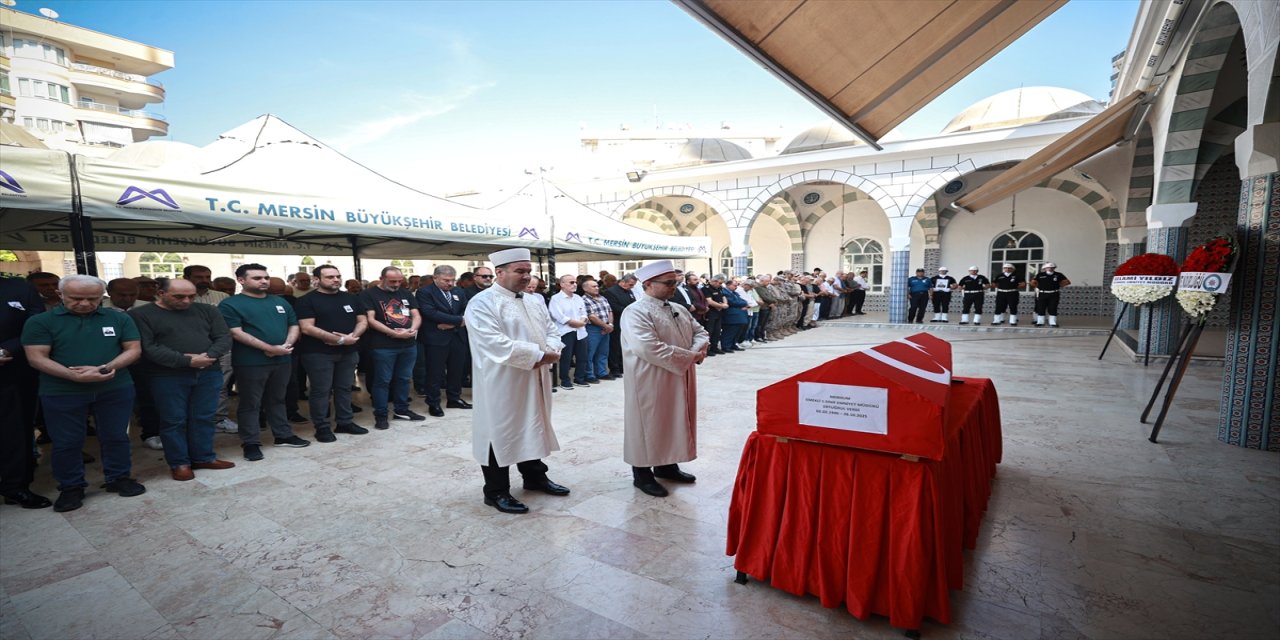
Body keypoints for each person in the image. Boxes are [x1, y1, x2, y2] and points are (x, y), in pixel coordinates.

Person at [21, 275, 145, 512]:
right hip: (62, 391)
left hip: (114, 387)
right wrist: (74, 376)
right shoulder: (41, 321)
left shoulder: (118, 318)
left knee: (116, 436)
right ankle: (71, 487)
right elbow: (36, 357)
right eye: (76, 298)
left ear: (102, 297)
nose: (85, 304)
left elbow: (133, 349)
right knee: (67, 442)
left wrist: (106, 368)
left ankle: (118, 477)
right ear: (61, 295)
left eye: (92, 299)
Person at [463, 247, 570, 514]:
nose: (526, 276)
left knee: (534, 425)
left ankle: (534, 477)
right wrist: (539, 354)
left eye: (528, 271)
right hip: (501, 381)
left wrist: (553, 349)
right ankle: (496, 491)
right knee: (498, 431)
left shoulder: (534, 300)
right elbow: (493, 343)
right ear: (499, 272)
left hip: (536, 376)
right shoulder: (482, 303)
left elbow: (551, 329)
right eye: (520, 271)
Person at [129, 278, 237, 481]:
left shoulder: (208, 311)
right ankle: (180, 462)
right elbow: (149, 347)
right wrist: (186, 361)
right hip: (167, 375)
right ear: (160, 293)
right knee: (173, 420)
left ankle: (203, 457)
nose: (186, 301)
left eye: (191, 296)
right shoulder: (140, 314)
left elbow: (223, 337)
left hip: (208, 371)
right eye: (179, 296)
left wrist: (207, 357)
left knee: (204, 416)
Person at [620, 260, 709, 497]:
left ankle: (667, 465)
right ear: (648, 284)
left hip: (679, 374)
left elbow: (701, 332)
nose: (674, 287)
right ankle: (642, 474)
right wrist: (691, 356)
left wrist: (695, 352)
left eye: (676, 282)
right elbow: (648, 347)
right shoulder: (635, 312)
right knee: (648, 423)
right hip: (650, 379)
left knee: (674, 419)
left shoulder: (677, 309)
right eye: (669, 283)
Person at [219, 263, 310, 461]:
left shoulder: (280, 301)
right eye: (257, 278)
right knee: (251, 403)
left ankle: (283, 435)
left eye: (265, 277)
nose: (263, 281)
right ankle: (251, 442)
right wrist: (268, 348)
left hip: (283, 358)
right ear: (241, 280)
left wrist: (285, 346)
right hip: (251, 362)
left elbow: (293, 325)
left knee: (278, 399)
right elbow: (235, 332)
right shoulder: (231, 304)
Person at [295, 264, 368, 441]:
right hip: (318, 353)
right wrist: (338, 339)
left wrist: (351, 337)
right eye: (330, 277)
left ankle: (345, 422)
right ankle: (322, 427)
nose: (336, 279)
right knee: (321, 391)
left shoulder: (351, 298)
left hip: (349, 351)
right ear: (317, 280)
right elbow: (306, 327)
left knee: (344, 388)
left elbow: (363, 321)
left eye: (337, 276)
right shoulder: (307, 300)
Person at [0, 278, 50, 509]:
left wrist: (7, 349)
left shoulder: (19, 288)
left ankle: (16, 487)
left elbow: (36, 322)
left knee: (16, 432)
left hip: (13, 372)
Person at [361, 266, 424, 429]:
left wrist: (412, 330)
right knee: (382, 381)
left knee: (404, 379)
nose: (396, 284)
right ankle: (381, 415)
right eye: (392, 281)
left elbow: (416, 315)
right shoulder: (369, 294)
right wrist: (393, 333)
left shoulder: (405, 293)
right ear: (381, 278)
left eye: (399, 281)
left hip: (408, 344)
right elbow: (371, 319)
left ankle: (401, 410)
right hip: (383, 346)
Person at [184, 265, 236, 433]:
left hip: (220, 346)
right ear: (187, 278)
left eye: (207, 277)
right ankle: (192, 419)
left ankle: (219, 418)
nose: (204, 280)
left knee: (220, 384)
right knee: (188, 384)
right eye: (199, 277)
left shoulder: (222, 297)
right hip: (189, 349)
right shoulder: (181, 297)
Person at [416, 265, 472, 417]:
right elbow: (429, 312)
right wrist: (459, 321)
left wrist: (455, 322)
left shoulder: (458, 292)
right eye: (446, 280)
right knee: (435, 372)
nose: (450, 283)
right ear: (435, 278)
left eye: (453, 280)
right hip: (436, 338)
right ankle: (433, 403)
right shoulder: (424, 292)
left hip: (457, 336)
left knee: (457, 369)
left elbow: (467, 309)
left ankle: (454, 398)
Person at [548, 274, 590, 390]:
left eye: (575, 282)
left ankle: (579, 379)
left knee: (582, 356)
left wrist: (582, 322)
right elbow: (559, 317)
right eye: (571, 282)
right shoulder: (556, 299)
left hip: (581, 331)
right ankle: (565, 380)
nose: (575, 284)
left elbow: (584, 313)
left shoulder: (578, 297)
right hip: (566, 331)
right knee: (566, 357)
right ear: (562, 284)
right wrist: (577, 323)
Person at [603, 274, 638, 377]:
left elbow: (633, 303)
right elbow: (614, 307)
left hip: (628, 322)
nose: (632, 287)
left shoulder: (629, 291)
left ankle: (623, 366)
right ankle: (614, 368)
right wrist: (630, 311)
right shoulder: (611, 292)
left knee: (625, 345)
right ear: (623, 282)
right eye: (631, 284)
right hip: (616, 321)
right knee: (615, 346)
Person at [580, 277, 614, 382]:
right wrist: (606, 326)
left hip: (606, 327)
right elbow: (591, 316)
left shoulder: (602, 298)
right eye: (594, 286)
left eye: (597, 286)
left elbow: (610, 311)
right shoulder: (584, 300)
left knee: (603, 352)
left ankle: (601, 372)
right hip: (592, 328)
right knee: (590, 352)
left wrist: (610, 324)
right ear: (585, 289)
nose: (597, 288)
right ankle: (589, 375)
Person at [1031, 262, 1071, 327]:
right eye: (1048, 267)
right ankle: (1040, 322)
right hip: (1042, 293)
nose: (1050, 269)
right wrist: (1038, 286)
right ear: (1045, 268)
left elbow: (1067, 282)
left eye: (1052, 267)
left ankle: (1053, 322)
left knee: (1053, 308)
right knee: (1041, 308)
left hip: (1054, 294)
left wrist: (1060, 285)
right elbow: (1033, 282)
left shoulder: (1059, 274)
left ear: (1054, 268)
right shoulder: (1040, 274)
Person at [720, 279, 749, 352]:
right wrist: (742, 304)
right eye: (734, 285)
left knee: (737, 331)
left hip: (738, 316)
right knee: (729, 332)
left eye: (737, 285)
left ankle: (733, 344)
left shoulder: (734, 293)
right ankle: (726, 346)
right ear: (728, 285)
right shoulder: (725, 292)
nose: (736, 287)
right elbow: (732, 302)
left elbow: (743, 301)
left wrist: (743, 303)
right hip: (731, 315)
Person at [702, 275, 728, 352]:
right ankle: (707, 349)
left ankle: (714, 347)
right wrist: (721, 305)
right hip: (711, 313)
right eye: (720, 283)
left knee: (717, 331)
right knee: (709, 331)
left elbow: (723, 297)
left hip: (719, 312)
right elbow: (709, 301)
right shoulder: (706, 289)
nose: (721, 285)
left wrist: (724, 304)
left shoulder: (719, 288)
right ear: (714, 281)